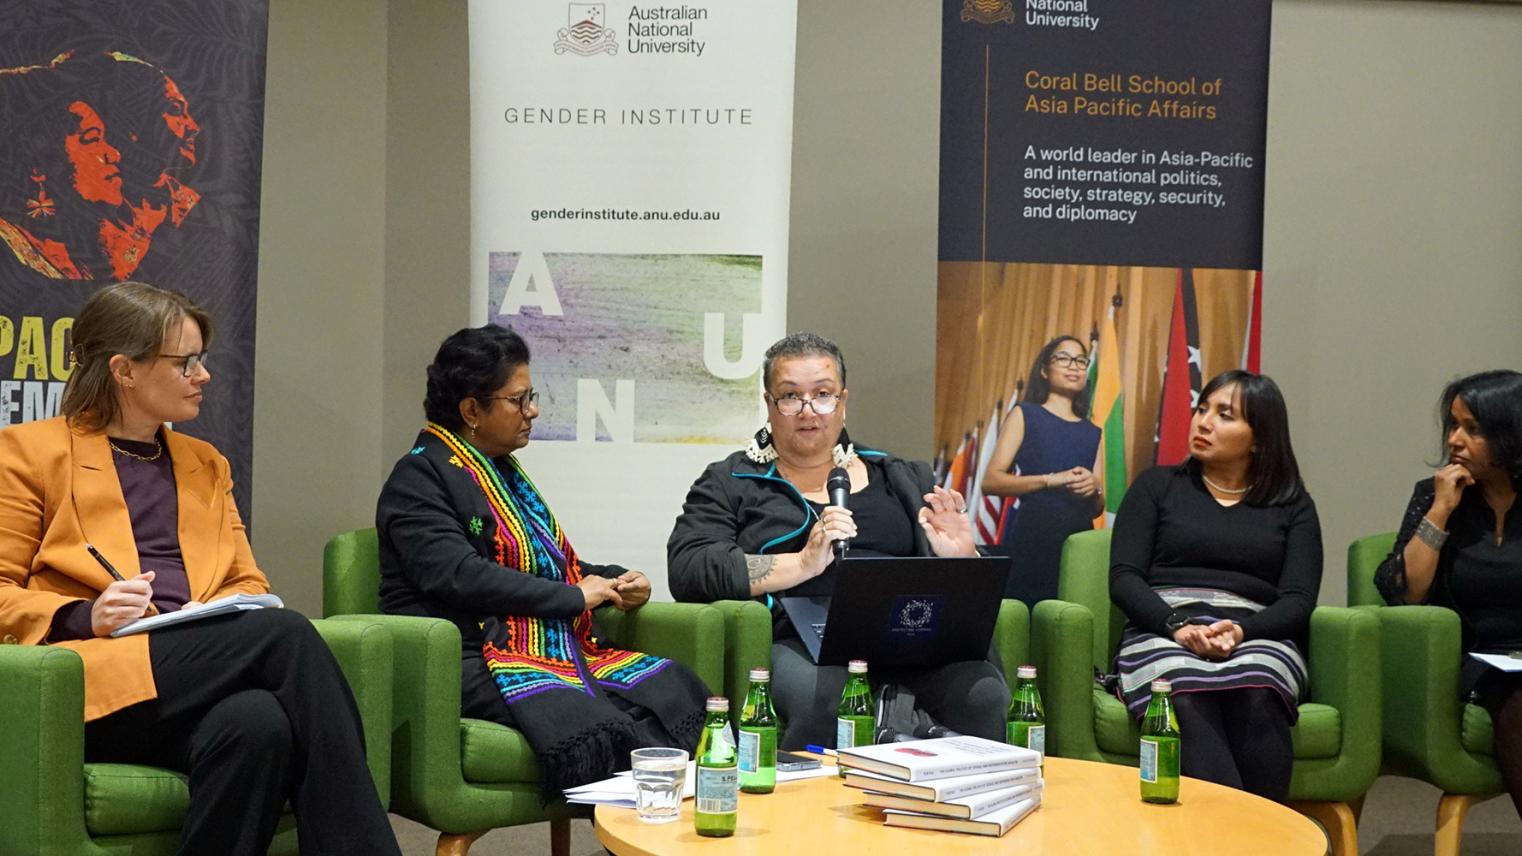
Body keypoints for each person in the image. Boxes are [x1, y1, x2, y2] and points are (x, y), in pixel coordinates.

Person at [0, 282, 399, 855]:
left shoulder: (205, 463)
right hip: (86, 681)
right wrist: (87, 614)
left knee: (258, 724)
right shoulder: (29, 453)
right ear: (124, 370)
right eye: (185, 362)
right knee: (283, 635)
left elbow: (246, 581)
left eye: (201, 360)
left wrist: (207, 613)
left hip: (190, 670)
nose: (203, 375)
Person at [376, 324, 708, 796]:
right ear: (472, 409)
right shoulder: (419, 477)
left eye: (532, 397)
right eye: (518, 400)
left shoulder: (501, 471)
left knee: (673, 688)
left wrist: (612, 582)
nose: (532, 411)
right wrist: (575, 597)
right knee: (604, 727)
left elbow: (542, 565)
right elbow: (459, 576)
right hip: (467, 653)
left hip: (532, 641)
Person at [667, 331, 1011, 749]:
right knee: (825, 700)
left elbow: (960, 590)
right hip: (804, 644)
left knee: (982, 693)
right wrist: (801, 563)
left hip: (909, 639)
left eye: (823, 394)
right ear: (769, 406)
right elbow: (689, 567)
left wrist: (962, 557)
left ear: (843, 402)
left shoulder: (900, 476)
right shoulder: (731, 481)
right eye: (790, 396)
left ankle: (953, 804)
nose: (808, 410)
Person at [1109, 370, 1320, 802]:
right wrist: (1177, 626)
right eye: (1202, 409)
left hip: (1255, 632)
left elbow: (1298, 600)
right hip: (1163, 628)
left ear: (1259, 437)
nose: (1203, 422)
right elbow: (1124, 577)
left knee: (1259, 691)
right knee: (1181, 696)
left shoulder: (1293, 503)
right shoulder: (1156, 487)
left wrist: (1242, 632)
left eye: (1224, 415)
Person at [1375, 370, 1522, 818]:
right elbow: (1406, 594)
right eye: (1454, 426)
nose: (1456, 440)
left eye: (1473, 429)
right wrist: (1441, 510)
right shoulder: (1435, 497)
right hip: (1482, 664)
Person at [980, 335, 1103, 603]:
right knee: (1027, 612)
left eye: (1081, 361)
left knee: (1071, 614)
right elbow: (990, 481)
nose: (1074, 366)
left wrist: (1094, 488)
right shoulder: (1025, 414)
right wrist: (1051, 480)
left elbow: (1098, 507)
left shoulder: (1093, 431)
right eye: (1064, 358)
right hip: (1034, 535)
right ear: (1045, 370)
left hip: (1079, 540)